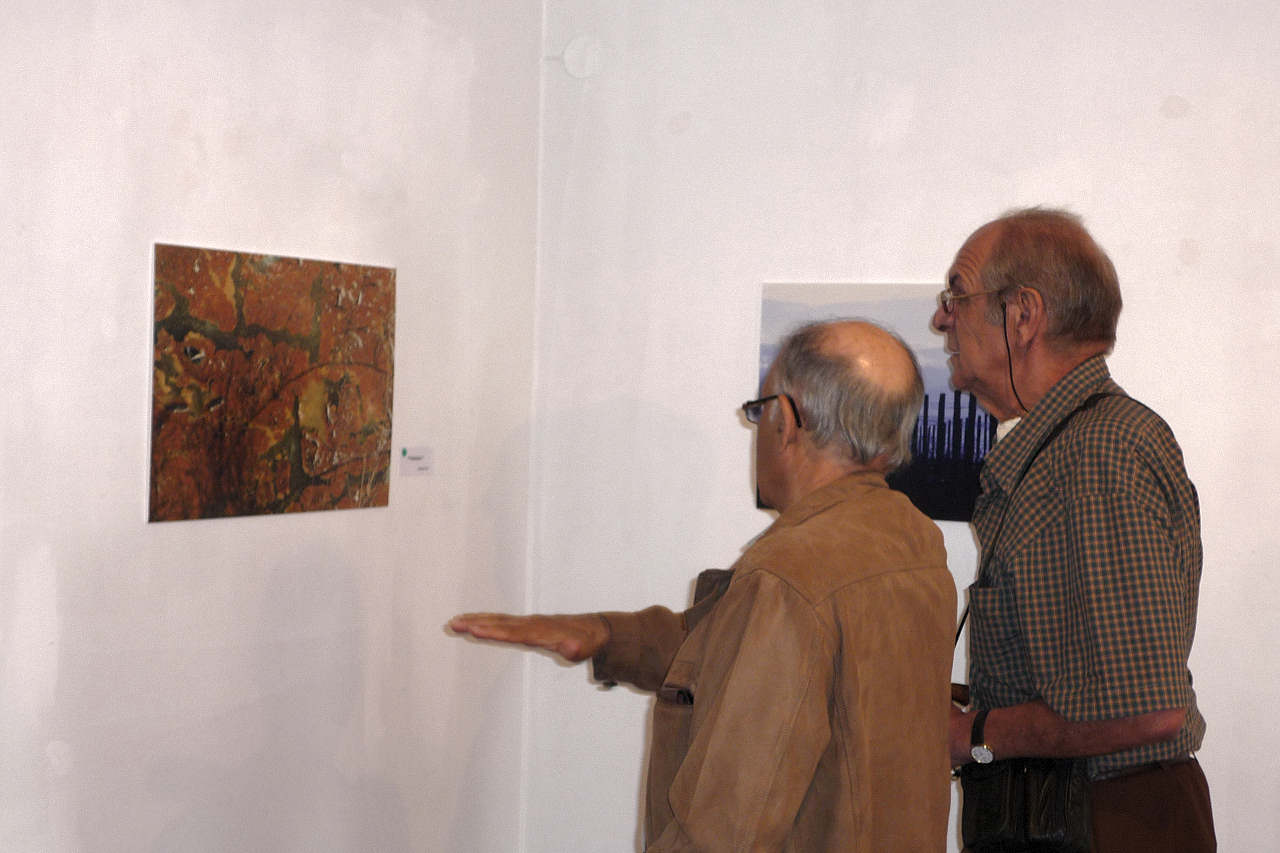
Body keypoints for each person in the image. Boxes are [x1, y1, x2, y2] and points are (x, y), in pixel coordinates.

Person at [450, 319, 956, 851]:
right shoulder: (910, 540)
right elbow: (737, 652)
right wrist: (605, 635)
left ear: (786, 421)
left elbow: (730, 822)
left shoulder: (788, 576)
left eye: (759, 411)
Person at [934, 208, 1215, 850]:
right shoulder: (1073, 446)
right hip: (1084, 816)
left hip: (1107, 822)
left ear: (1023, 315)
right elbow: (1082, 680)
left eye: (957, 295)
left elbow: (1146, 709)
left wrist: (972, 735)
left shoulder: (1098, 452)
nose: (943, 319)